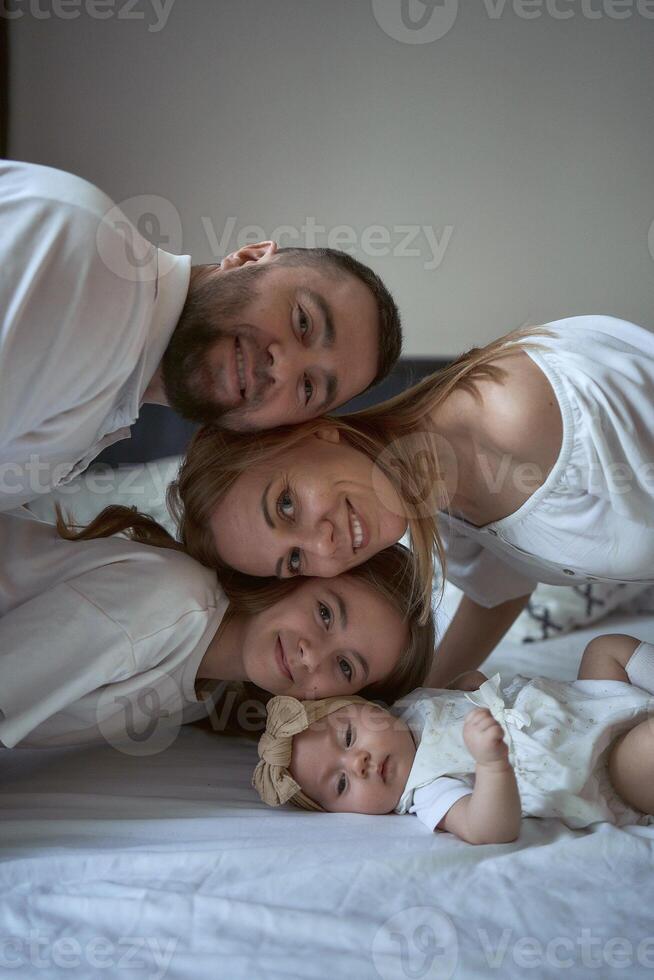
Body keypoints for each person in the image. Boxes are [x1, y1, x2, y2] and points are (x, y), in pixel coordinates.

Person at [170, 314, 654, 684]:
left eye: (287, 505)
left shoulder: (520, 412)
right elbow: (498, 592)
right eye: (294, 559)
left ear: (315, 432)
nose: (324, 543)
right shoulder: (435, 495)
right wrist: (421, 702)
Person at [0, 160, 401, 512]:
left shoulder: (110, 410)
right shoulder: (97, 266)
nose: (284, 366)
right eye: (302, 322)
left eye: (309, 387)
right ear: (248, 258)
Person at [0, 507, 433, 750]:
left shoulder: (214, 691)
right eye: (324, 613)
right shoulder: (169, 602)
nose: (311, 654)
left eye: (344, 667)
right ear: (296, 574)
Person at [252, 633, 654, 844]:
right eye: (341, 784)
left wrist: (468, 689)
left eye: (349, 736)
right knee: (646, 747)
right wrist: (491, 763)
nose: (357, 763)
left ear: (369, 706)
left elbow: (463, 693)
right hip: (601, 770)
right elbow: (488, 829)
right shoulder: (427, 791)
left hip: (587, 704)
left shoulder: (413, 705)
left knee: (606, 648)